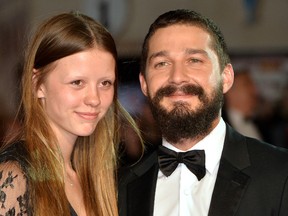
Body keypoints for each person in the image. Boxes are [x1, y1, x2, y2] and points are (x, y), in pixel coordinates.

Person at [118, 9, 288, 216]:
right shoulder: (121, 186)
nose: (177, 77)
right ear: (144, 84)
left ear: (226, 78)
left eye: (194, 60)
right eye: (162, 63)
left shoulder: (280, 174)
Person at [0, 12, 141, 216]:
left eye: (105, 83)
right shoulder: (13, 176)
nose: (94, 99)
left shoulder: (94, 176)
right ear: (37, 84)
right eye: (77, 83)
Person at [222, 69, 263, 140]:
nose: (254, 91)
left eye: (253, 85)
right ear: (229, 92)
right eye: (247, 85)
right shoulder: (216, 126)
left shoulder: (264, 125)